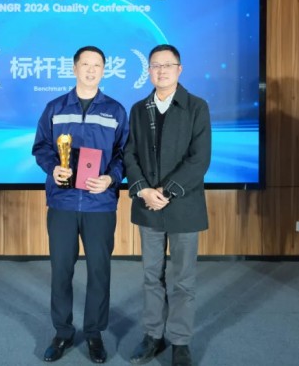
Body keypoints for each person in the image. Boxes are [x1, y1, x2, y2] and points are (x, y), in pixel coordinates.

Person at [32, 45, 129, 364]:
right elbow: (41, 147)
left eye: (97, 65)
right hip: (62, 202)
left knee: (99, 270)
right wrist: (53, 168)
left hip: (100, 204)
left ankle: (94, 333)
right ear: (74, 68)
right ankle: (62, 332)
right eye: (85, 64)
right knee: (61, 269)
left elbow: (124, 154)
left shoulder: (115, 110)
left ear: (104, 70)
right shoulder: (55, 108)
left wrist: (111, 178)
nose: (91, 70)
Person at [123, 44, 211, 366]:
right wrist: (144, 191)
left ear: (179, 69)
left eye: (167, 65)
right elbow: (129, 154)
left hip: (184, 205)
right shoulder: (138, 109)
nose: (161, 71)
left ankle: (180, 341)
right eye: (155, 66)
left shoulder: (196, 107)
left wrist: (167, 191)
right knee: (151, 276)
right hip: (148, 205)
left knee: (183, 280)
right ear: (148, 71)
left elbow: (200, 159)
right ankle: (153, 335)